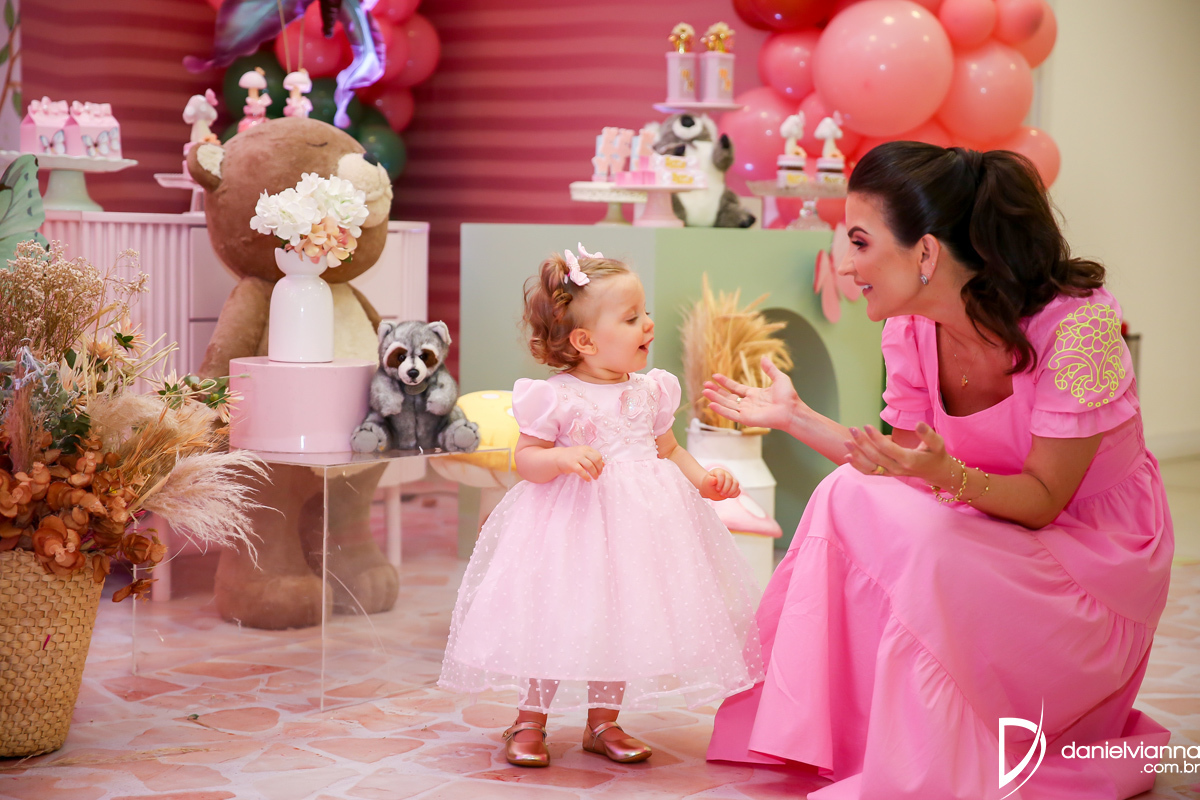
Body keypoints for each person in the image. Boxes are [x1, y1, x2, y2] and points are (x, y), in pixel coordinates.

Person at [703, 143, 1174, 799]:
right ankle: (850, 736)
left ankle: (923, 758)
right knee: (846, 495)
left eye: (860, 242)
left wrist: (947, 476)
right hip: (991, 524)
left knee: (929, 541)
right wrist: (797, 417)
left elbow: (1043, 500)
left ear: (925, 253)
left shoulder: (1081, 330)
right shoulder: (912, 329)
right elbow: (898, 468)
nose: (846, 264)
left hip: (1092, 562)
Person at [439, 244, 763, 769]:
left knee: (620, 618)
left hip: (637, 530)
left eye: (644, 312)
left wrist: (704, 480)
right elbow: (526, 459)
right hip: (570, 530)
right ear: (585, 341)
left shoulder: (652, 391)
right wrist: (561, 457)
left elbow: (668, 449)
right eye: (631, 318)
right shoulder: (556, 396)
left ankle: (603, 722)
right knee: (554, 617)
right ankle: (529, 719)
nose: (648, 324)